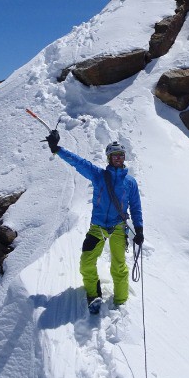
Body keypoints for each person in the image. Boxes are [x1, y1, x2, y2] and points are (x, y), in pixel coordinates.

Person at [46, 131, 143, 313]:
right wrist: (57, 149)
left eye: (121, 155)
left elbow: (136, 207)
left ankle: (121, 301)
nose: (118, 158)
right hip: (98, 227)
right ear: (108, 158)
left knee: (119, 265)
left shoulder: (130, 182)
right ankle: (93, 295)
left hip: (118, 227)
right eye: (114, 156)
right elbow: (79, 163)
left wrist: (139, 229)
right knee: (86, 262)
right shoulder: (99, 175)